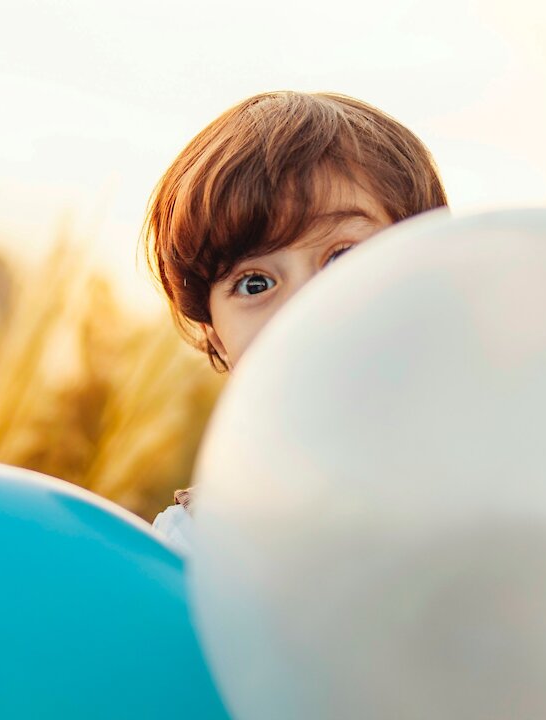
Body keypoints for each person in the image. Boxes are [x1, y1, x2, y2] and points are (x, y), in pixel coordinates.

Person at [142, 90, 449, 555]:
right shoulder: (196, 547)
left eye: (344, 256)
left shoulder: (495, 490)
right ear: (215, 337)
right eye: (255, 284)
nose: (306, 305)